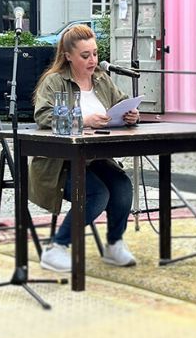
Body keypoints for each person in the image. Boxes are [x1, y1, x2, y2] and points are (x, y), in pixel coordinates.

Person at [29, 24, 139, 273]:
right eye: (85, 55)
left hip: (96, 158)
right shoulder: (54, 81)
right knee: (97, 194)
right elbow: (43, 116)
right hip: (60, 163)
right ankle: (57, 248)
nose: (93, 60)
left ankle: (114, 244)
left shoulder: (101, 78)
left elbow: (121, 103)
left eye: (95, 54)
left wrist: (132, 115)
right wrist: (83, 120)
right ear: (68, 56)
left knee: (122, 185)